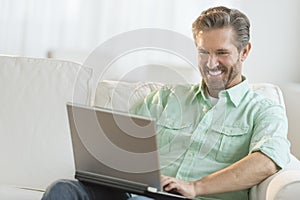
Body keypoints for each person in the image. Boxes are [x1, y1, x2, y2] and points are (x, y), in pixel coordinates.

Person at [41, 6, 290, 200]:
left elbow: (266, 162)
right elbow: (122, 147)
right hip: (136, 194)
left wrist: (195, 187)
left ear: (244, 52)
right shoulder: (166, 98)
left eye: (222, 53)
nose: (211, 63)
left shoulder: (264, 110)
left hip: (198, 198)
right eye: (204, 52)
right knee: (63, 190)